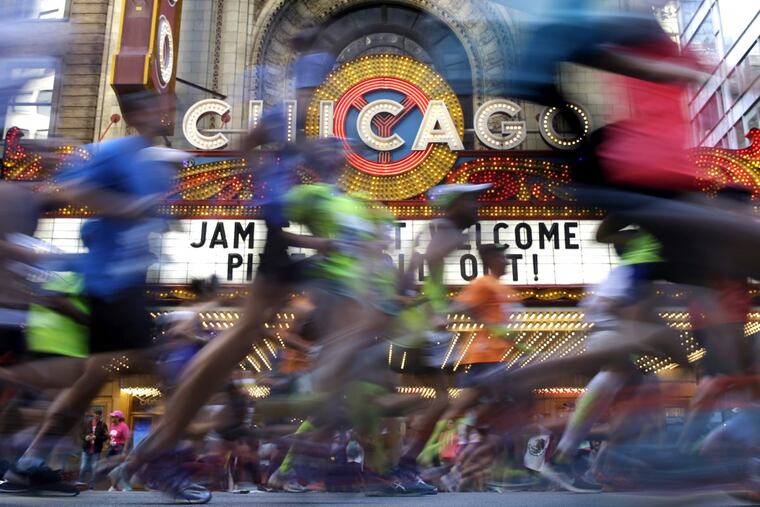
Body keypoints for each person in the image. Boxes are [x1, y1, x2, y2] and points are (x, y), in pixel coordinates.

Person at [1, 91, 177, 496]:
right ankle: (159, 463)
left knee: (89, 379)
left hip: (130, 282)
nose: (163, 111)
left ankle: (30, 461)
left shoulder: (156, 162)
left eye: (163, 106)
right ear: (137, 114)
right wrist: (126, 208)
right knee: (156, 369)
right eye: (155, 106)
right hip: (110, 283)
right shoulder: (114, 152)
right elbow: (70, 191)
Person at [78, 409, 107, 489]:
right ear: (93, 414)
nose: (97, 415)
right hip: (86, 448)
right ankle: (80, 483)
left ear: (101, 415)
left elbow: (105, 437)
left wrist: (96, 437)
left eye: (99, 414)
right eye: (96, 414)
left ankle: (91, 486)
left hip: (96, 450)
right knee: (83, 467)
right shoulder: (87, 423)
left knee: (94, 468)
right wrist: (85, 437)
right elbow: (81, 434)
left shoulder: (103, 425)